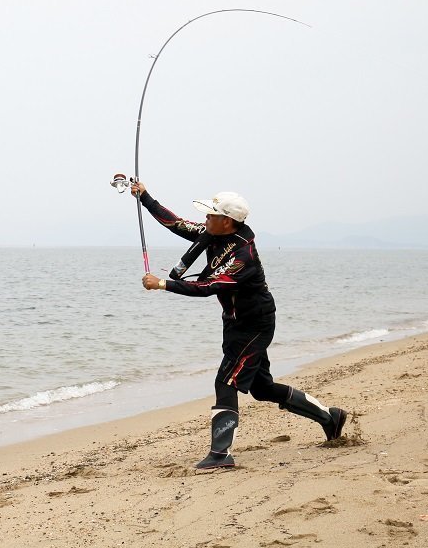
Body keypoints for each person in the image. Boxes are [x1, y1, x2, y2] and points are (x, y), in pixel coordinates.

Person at [130, 180, 348, 470]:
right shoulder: (213, 232)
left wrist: (162, 284)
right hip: (237, 322)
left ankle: (221, 454)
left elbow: (209, 286)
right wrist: (145, 197)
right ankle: (330, 417)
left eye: (211, 215)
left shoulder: (242, 256)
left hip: (254, 324)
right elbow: (176, 224)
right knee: (262, 388)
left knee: (226, 381)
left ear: (227, 221)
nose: (205, 219)